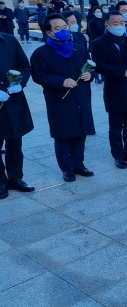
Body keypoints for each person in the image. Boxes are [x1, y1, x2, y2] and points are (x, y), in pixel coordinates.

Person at [30, 14, 95, 182]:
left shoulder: (79, 48)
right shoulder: (41, 53)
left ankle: (79, 164)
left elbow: (88, 68)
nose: (63, 31)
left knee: (81, 133)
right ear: (49, 33)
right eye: (57, 29)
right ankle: (67, 168)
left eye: (64, 27)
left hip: (81, 96)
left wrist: (89, 75)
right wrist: (61, 82)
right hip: (59, 99)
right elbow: (39, 76)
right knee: (64, 135)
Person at [92, 12, 127, 168]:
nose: (120, 26)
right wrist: (123, 72)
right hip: (115, 90)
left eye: (122, 22)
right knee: (116, 127)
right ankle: (118, 155)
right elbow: (100, 66)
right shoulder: (99, 43)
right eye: (115, 23)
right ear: (107, 26)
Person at [0, 32, 35, 198]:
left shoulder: (9, 40)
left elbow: (24, 66)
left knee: (15, 142)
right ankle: (1, 180)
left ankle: (16, 177)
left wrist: (20, 83)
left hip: (13, 100)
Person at [87, 6, 106, 84]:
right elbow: (92, 34)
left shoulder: (104, 21)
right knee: (95, 61)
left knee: (104, 60)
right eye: (97, 12)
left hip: (105, 43)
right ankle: (96, 77)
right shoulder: (91, 22)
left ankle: (103, 76)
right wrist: (100, 40)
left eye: (100, 11)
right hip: (95, 43)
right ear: (94, 13)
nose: (99, 13)